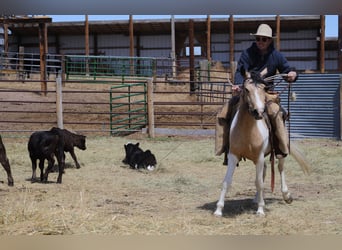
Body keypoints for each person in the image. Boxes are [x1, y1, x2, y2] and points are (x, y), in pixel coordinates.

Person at [216, 23, 298, 164]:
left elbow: (286, 71)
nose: (260, 41)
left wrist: (292, 74)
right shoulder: (247, 54)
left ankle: (281, 148)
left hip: (267, 93)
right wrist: (238, 84)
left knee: (275, 112)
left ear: (270, 40)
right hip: (248, 92)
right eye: (258, 38)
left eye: (264, 39)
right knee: (223, 113)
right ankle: (226, 148)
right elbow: (240, 71)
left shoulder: (276, 56)